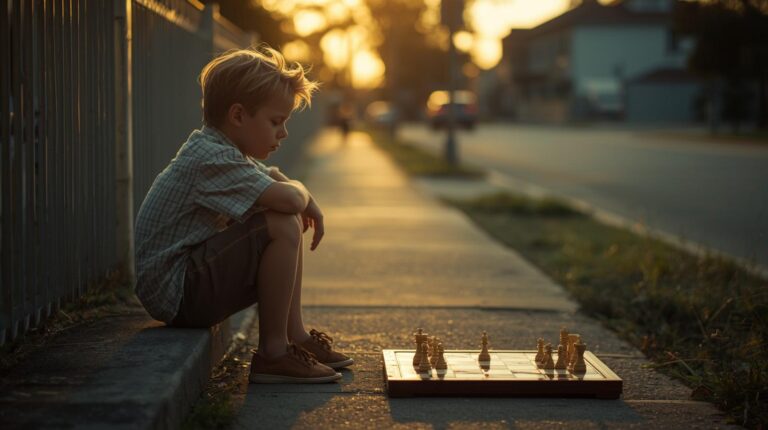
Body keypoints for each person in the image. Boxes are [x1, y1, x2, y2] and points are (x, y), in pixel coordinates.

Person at [134, 46, 352, 384]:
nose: (284, 133)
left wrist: (299, 196)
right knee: (281, 221)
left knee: (285, 217)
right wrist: (305, 196)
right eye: (275, 122)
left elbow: (271, 177)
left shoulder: (223, 150)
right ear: (238, 116)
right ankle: (274, 354)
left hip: (184, 285)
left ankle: (294, 336)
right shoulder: (212, 158)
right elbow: (291, 199)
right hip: (177, 291)